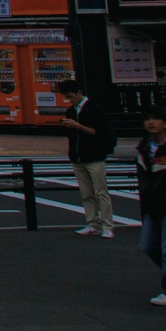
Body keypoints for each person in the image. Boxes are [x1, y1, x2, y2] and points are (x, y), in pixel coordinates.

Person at [134, 111, 166, 306]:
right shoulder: (144, 146)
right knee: (148, 247)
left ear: (165, 124)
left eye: (154, 118)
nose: (150, 122)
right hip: (151, 204)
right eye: (148, 119)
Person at [56, 80, 116, 237]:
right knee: (86, 193)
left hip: (95, 156)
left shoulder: (94, 108)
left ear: (79, 92)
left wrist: (78, 126)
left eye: (70, 96)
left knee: (101, 192)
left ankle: (108, 226)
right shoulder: (71, 111)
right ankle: (92, 223)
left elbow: (100, 132)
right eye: (67, 97)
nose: (69, 100)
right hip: (78, 156)